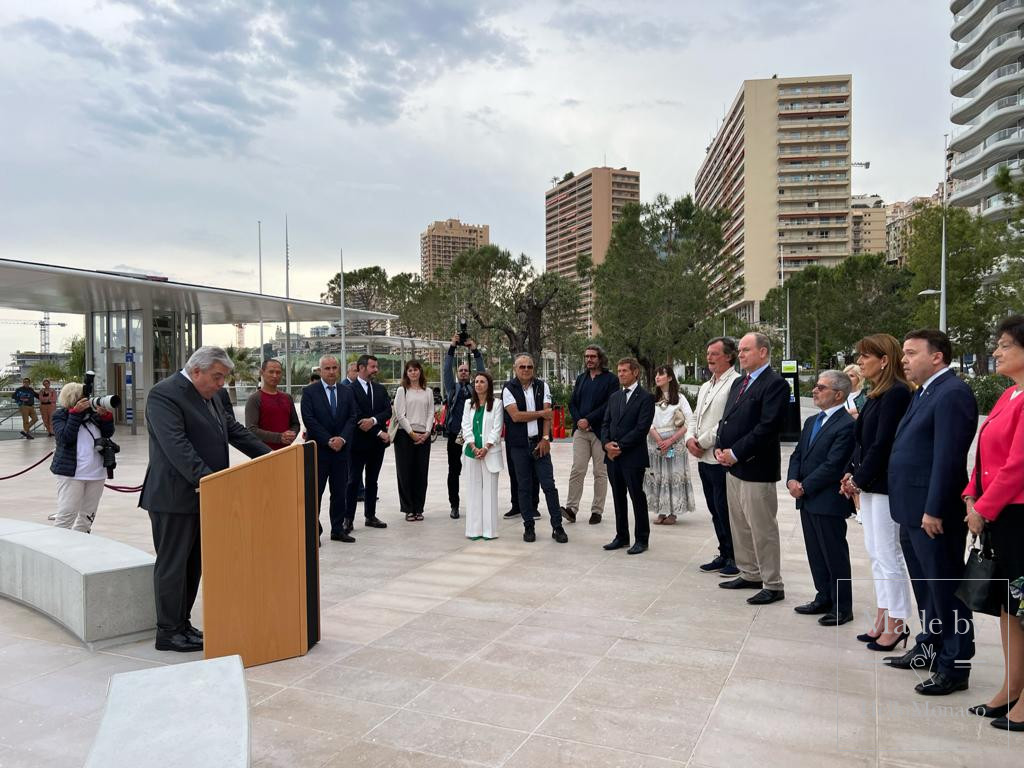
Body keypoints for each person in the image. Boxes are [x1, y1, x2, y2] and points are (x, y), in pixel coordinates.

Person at [139, 346, 271, 653]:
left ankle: (182, 624)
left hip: (206, 495)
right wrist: (214, 483)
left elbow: (235, 431)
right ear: (196, 371)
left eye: (223, 378)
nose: (220, 384)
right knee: (173, 565)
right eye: (216, 377)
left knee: (194, 564)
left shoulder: (212, 396)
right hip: (173, 498)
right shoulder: (164, 395)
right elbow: (178, 448)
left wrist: (274, 457)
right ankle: (168, 631)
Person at [884, 329, 977, 697]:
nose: (903, 360)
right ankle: (930, 647)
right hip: (911, 509)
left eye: (910, 353)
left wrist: (935, 508)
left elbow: (948, 458)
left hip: (931, 512)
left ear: (937, 356)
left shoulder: (952, 393)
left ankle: (955, 665)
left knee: (946, 589)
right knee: (926, 588)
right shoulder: (925, 391)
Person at [962, 314, 1024, 731]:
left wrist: (983, 507)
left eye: (1004, 344)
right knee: (1008, 607)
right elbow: (986, 455)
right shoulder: (1009, 395)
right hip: (998, 513)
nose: (996, 351)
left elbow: (1019, 464)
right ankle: (1012, 687)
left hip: (1018, 514)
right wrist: (971, 494)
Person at [840, 334, 913, 652]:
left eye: (866, 357)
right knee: (875, 553)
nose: (860, 362)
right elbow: (862, 441)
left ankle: (898, 622)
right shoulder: (876, 394)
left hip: (882, 485)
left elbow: (883, 445)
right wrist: (850, 472)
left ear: (884, 360)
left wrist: (859, 479)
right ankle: (884, 614)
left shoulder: (897, 393)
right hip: (868, 484)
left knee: (888, 554)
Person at [714, 332, 789, 606]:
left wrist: (736, 452)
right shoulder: (739, 383)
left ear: (763, 352)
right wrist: (722, 448)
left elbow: (767, 427)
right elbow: (728, 419)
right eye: (740, 350)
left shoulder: (775, 384)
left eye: (746, 350)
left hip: (757, 467)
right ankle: (750, 573)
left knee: (762, 528)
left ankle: (772, 583)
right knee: (741, 526)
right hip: (733, 467)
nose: (741, 354)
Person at [788, 370, 856, 626]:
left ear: (838, 395)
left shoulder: (846, 425)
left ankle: (842, 606)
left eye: (821, 387)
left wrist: (804, 486)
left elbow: (833, 464)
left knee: (834, 553)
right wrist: (792, 480)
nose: (814, 391)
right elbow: (798, 454)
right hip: (807, 498)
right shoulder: (811, 422)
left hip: (827, 499)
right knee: (815, 552)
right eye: (816, 386)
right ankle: (823, 596)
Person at [687, 337, 741, 576]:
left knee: (725, 509)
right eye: (708, 353)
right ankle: (723, 551)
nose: (709, 357)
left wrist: (702, 441)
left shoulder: (736, 383)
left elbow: (728, 421)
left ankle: (735, 557)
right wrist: (689, 439)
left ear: (729, 356)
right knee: (713, 508)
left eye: (715, 353)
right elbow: (695, 416)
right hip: (702, 458)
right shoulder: (706, 385)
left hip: (719, 456)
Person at [502, 353, 568, 543]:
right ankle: (528, 527)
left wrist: (546, 438)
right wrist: (541, 413)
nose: (526, 370)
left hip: (540, 443)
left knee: (549, 486)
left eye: (529, 367)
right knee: (524, 487)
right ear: (515, 369)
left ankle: (557, 527)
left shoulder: (542, 386)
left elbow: (548, 417)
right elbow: (515, 416)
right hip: (519, 446)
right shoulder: (509, 388)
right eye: (522, 367)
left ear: (534, 369)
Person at [601, 358, 656, 555]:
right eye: (619, 370)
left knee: (636, 497)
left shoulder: (646, 398)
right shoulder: (614, 397)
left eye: (625, 370)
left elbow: (641, 428)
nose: (621, 374)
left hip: (632, 457)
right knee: (618, 497)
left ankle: (642, 539)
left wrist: (619, 446)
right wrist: (606, 444)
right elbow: (605, 423)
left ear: (635, 373)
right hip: (612, 457)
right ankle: (621, 536)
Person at [301, 355, 358, 542]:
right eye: (327, 368)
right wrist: (328, 440)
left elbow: (352, 417)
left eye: (334, 368)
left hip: (341, 452)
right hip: (319, 450)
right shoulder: (309, 392)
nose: (332, 371)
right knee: (315, 493)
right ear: (320, 370)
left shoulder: (347, 391)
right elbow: (309, 419)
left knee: (339, 492)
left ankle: (337, 529)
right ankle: (312, 532)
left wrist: (342, 439)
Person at [49, 382, 114, 533]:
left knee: (87, 516)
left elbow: (108, 433)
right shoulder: (60, 415)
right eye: (83, 396)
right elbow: (66, 437)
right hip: (71, 474)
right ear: (74, 398)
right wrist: (75, 414)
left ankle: (80, 545)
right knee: (67, 514)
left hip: (96, 473)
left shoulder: (93, 415)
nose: (87, 399)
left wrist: (105, 417)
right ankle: (58, 548)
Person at [564, 344, 618, 525]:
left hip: (600, 432)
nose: (589, 360)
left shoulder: (611, 379)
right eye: (586, 356)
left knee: (599, 472)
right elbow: (572, 403)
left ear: (600, 358)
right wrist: (579, 420)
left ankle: (597, 510)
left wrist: (589, 420)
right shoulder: (581, 378)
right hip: (580, 431)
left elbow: (609, 404)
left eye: (593, 356)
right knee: (577, 469)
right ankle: (571, 509)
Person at [346, 354, 392, 534]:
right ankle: (348, 519)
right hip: (357, 445)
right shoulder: (349, 390)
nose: (376, 370)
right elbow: (356, 416)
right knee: (353, 482)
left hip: (376, 446)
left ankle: (370, 516)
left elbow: (387, 411)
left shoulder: (380, 389)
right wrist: (380, 431)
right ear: (361, 368)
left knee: (372, 481)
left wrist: (373, 420)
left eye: (376, 367)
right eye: (373, 367)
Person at [647, 365, 695, 525]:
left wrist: (671, 440)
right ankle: (661, 510)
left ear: (670, 378)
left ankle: (674, 512)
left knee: (673, 474)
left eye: (661, 375)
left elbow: (689, 420)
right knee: (658, 475)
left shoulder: (680, 398)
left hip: (674, 443)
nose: (657, 377)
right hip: (656, 443)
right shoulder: (651, 399)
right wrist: (659, 440)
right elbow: (647, 421)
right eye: (656, 375)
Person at [443, 335, 485, 520]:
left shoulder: (476, 389)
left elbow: (482, 371)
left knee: (476, 470)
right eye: (460, 370)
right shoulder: (452, 389)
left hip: (472, 436)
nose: (463, 372)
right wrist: (452, 347)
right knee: (454, 471)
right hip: (455, 434)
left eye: (466, 370)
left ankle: (478, 503)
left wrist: (475, 351)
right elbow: (446, 369)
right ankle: (454, 505)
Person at [461, 371, 503, 540]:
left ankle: (489, 531)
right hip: (472, 452)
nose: (478, 384)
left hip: (490, 453)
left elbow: (497, 428)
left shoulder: (497, 404)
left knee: (490, 492)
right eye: (476, 381)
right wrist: (473, 445)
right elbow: (465, 426)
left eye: (482, 382)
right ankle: (473, 530)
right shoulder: (468, 404)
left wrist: (485, 447)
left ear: (488, 385)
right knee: (473, 491)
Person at [393, 360, 433, 522]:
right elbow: (400, 414)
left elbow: (431, 412)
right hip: (405, 436)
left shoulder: (428, 391)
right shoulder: (402, 390)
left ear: (420, 372)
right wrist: (411, 433)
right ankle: (408, 508)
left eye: (416, 370)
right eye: (410, 370)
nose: (413, 373)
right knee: (405, 473)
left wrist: (428, 432)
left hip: (424, 435)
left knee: (421, 473)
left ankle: (419, 508)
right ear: (406, 373)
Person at [245, 358, 300, 450]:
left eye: (278, 372)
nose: (275, 375)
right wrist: (279, 437)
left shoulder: (287, 398)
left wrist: (291, 434)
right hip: (263, 453)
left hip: (286, 451)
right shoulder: (254, 399)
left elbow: (295, 423)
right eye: (271, 372)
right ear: (262, 373)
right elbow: (251, 429)